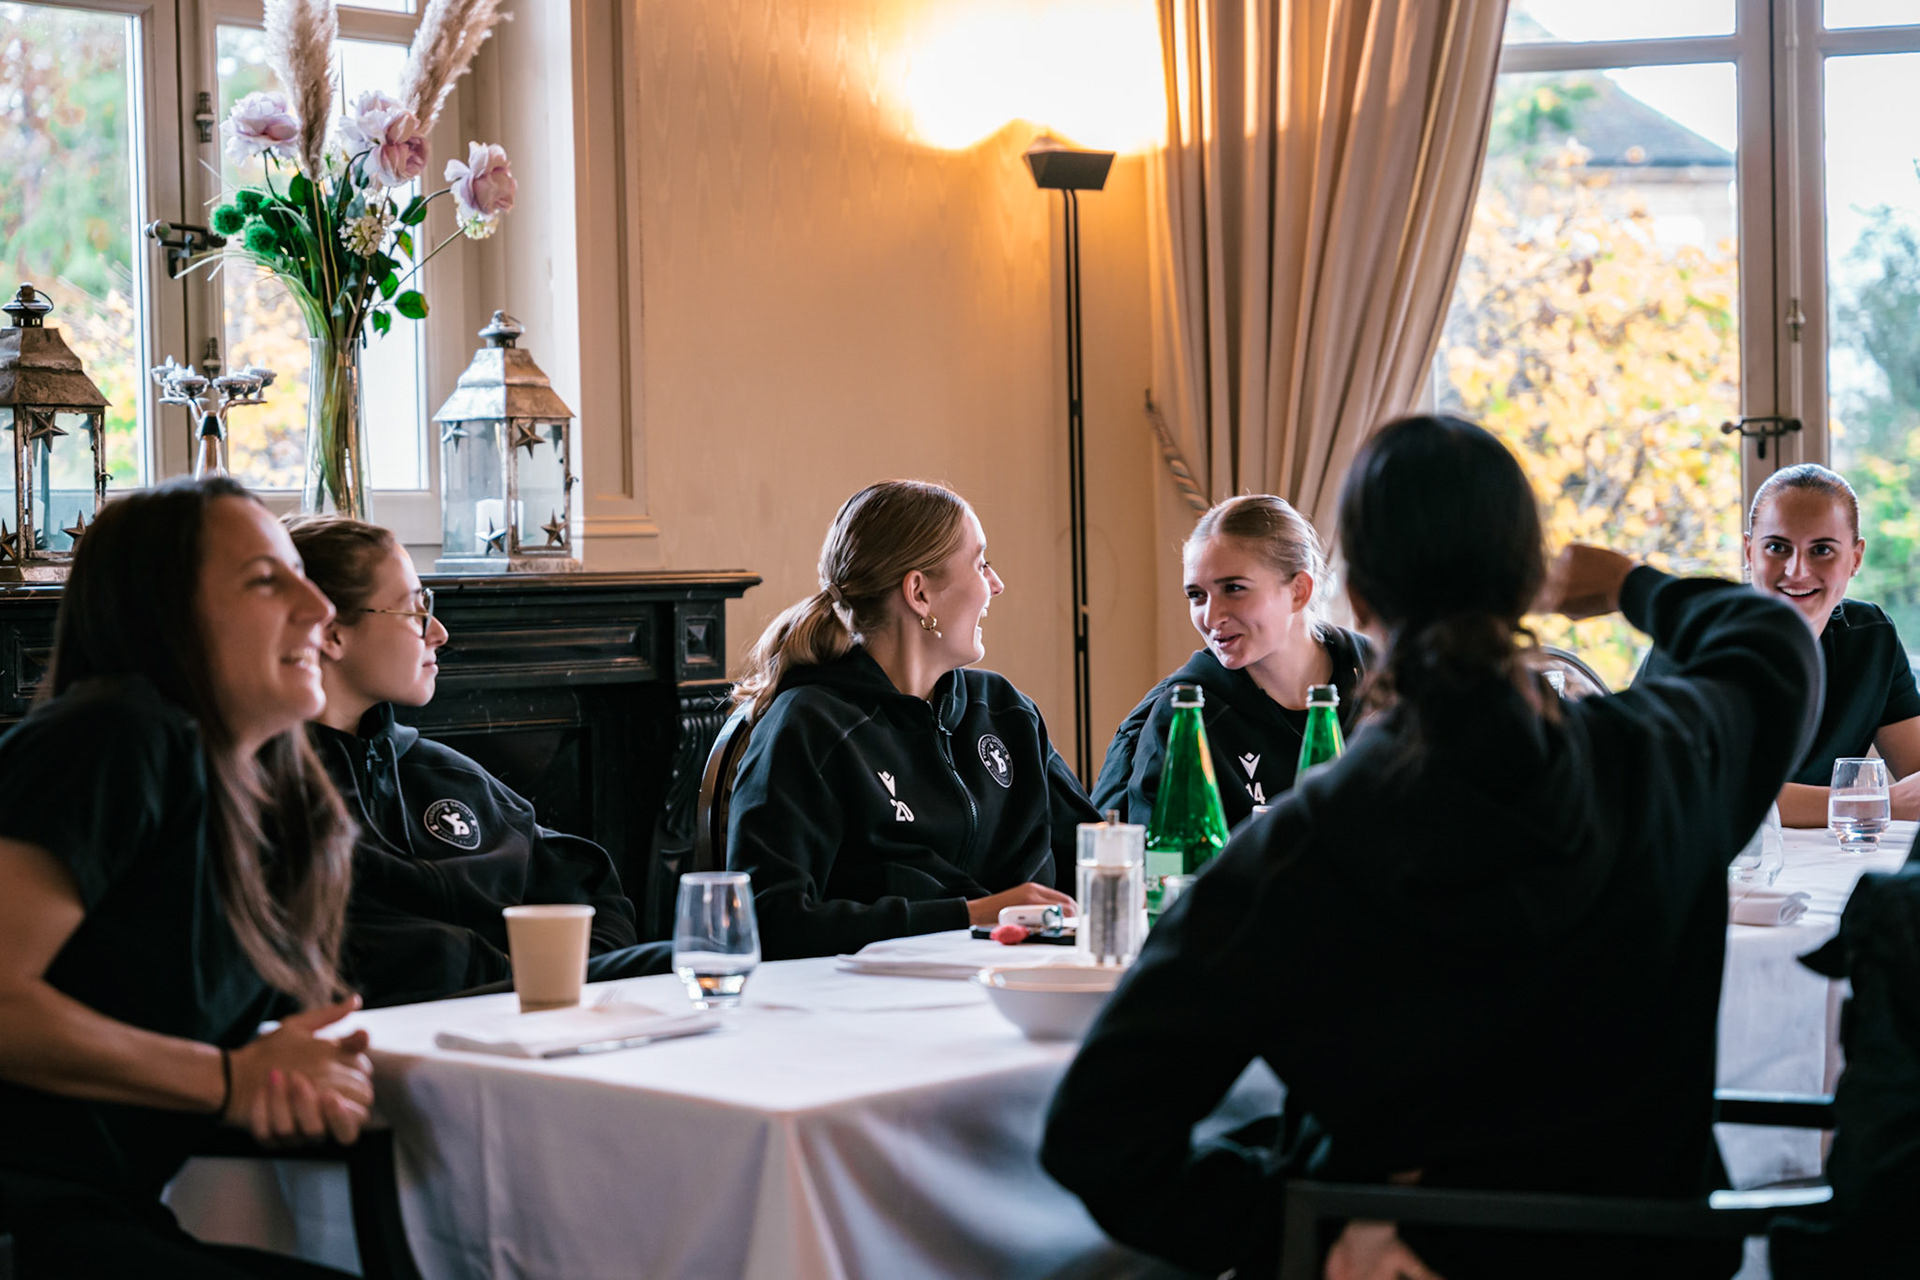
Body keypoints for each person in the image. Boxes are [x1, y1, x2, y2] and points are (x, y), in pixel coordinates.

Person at [1042, 415, 1821, 1280]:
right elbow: (1774, 643)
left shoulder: (1306, 842)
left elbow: (1095, 1135)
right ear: (1530, 582)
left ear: (1355, 602)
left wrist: (1306, 1228)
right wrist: (1631, 583)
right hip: (1653, 1260)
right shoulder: (1664, 757)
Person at [0, 477, 373, 1278]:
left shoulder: (286, 809)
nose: (318, 608)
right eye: (266, 581)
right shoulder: (114, 732)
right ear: (162, 614)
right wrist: (228, 1080)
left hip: (110, 1215)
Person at [286, 516, 670, 1007]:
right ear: (331, 633)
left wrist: (556, 989)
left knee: (681, 961)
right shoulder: (269, 793)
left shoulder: (444, 773)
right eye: (414, 610)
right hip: (402, 1032)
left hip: (535, 1014)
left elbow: (592, 892)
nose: (439, 632)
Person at [725, 480, 1100, 960]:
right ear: (919, 593)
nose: (996, 584)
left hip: (1029, 982)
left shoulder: (1006, 712)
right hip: (874, 999)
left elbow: (1097, 857)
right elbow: (769, 922)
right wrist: (973, 915)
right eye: (981, 564)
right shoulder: (809, 727)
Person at [1641, 464, 1920, 828]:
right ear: (1749, 552)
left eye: (1822, 549)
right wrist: (1877, 804)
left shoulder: (1872, 637)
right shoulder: (1696, 637)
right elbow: (1709, 793)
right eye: (1777, 547)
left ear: (1855, 559)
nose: (1797, 571)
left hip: (1820, 857)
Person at [1092, 494, 1371, 826]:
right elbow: (1163, 854)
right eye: (1196, 595)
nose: (1211, 617)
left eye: (1234, 589)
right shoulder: (1183, 715)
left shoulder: (1387, 679)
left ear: (1299, 591)